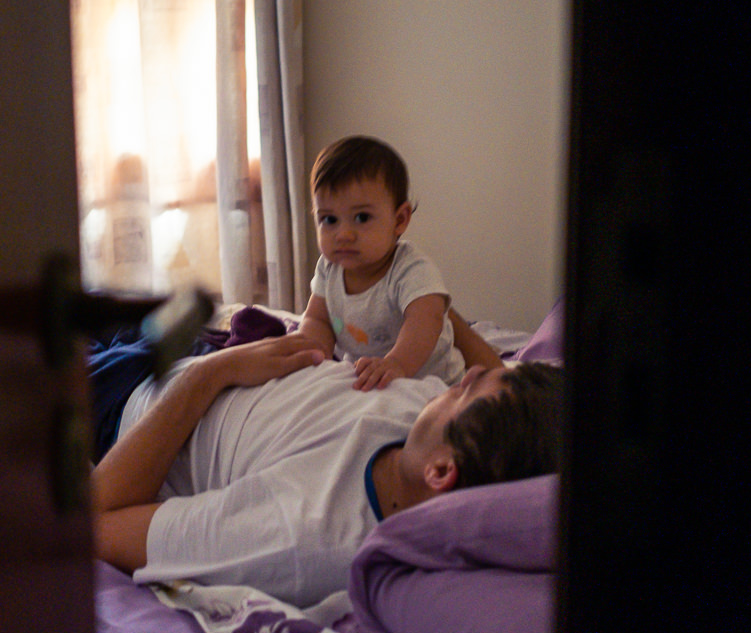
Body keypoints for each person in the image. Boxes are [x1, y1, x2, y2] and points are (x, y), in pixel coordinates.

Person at [91, 335, 563, 607]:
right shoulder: (430, 428)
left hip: (130, 407)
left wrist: (213, 372)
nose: (465, 376)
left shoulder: (300, 534)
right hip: (186, 354)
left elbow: (94, 523)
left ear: (441, 471)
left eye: (465, 393)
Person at [295, 135, 465, 391]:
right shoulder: (328, 268)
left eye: (362, 217)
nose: (343, 234)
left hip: (430, 382)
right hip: (367, 378)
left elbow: (426, 320)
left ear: (399, 220)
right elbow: (318, 320)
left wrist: (396, 363)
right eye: (329, 220)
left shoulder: (410, 268)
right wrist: (312, 354)